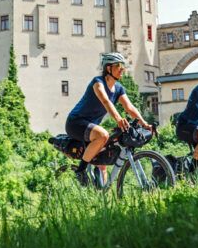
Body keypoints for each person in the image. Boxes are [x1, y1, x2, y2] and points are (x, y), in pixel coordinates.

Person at [65, 52, 152, 185]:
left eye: (123, 65)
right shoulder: (97, 83)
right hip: (76, 123)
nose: (122, 69)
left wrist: (145, 124)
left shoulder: (118, 89)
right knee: (103, 135)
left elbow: (130, 107)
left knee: (102, 160)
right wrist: (118, 119)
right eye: (119, 65)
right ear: (108, 68)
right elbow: (106, 102)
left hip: (91, 127)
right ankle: (80, 171)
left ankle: (101, 196)